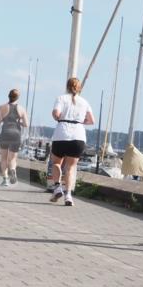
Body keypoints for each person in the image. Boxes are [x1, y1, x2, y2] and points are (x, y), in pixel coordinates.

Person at [49, 77, 94, 206]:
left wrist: (60, 118)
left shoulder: (61, 98)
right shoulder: (85, 102)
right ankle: (68, 195)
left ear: (67, 86)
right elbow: (91, 120)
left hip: (62, 134)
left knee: (56, 163)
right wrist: (80, 121)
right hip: (78, 136)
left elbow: (56, 114)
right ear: (80, 88)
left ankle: (57, 187)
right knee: (71, 167)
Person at [0, 89, 29, 186]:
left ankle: (5, 179)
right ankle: (13, 170)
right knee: (13, 159)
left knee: (4, 158)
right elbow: (26, 124)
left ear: (8, 96)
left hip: (5, 133)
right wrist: (18, 122)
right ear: (18, 98)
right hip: (16, 134)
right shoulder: (22, 109)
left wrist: (3, 119)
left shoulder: (2, 107)